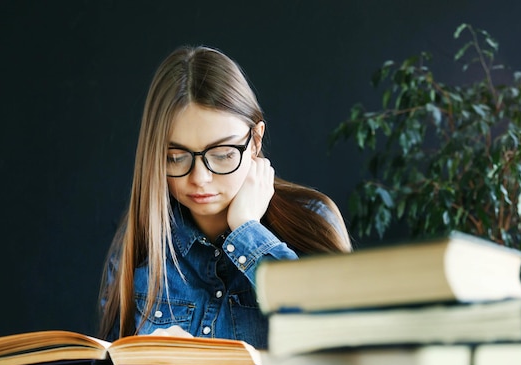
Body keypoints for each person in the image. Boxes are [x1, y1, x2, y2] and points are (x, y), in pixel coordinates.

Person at [98, 45, 352, 348]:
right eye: (176, 157)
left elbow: (344, 344)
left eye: (222, 155)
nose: (200, 179)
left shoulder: (313, 220)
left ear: (255, 140)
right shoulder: (143, 237)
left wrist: (247, 230)